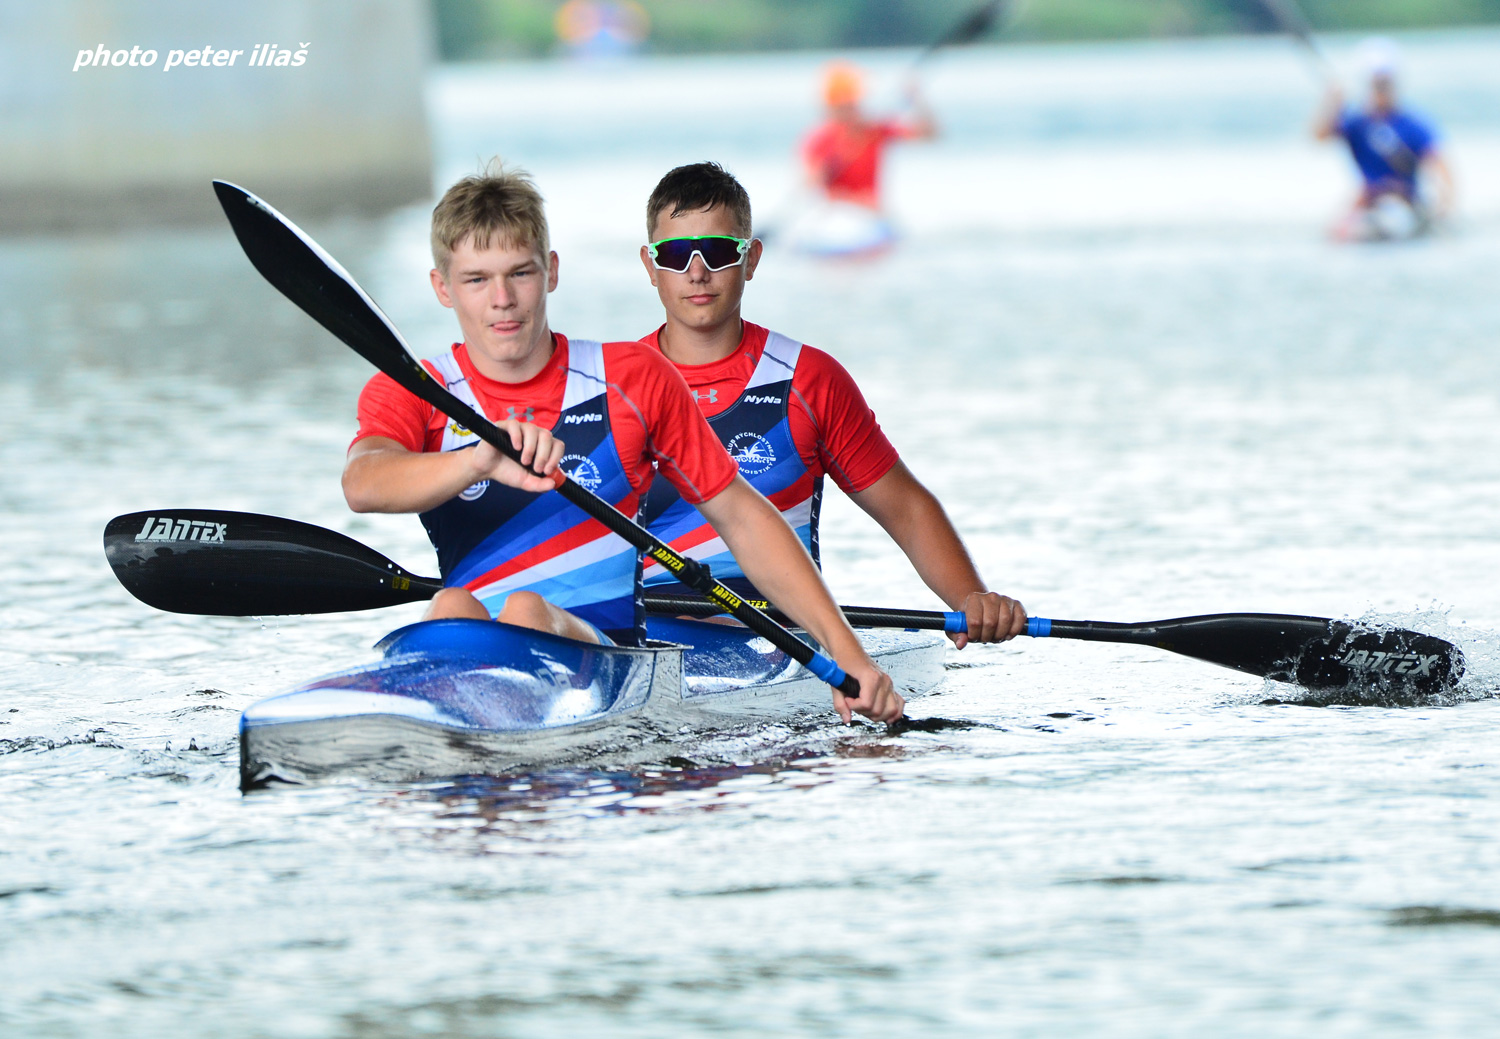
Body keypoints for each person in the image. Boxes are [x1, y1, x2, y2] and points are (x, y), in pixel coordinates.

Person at [344, 160, 901, 723]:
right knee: (450, 605)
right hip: (466, 652)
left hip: (607, 662)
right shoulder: (416, 392)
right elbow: (363, 483)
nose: (502, 298)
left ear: (551, 272)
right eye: (476, 280)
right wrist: (476, 462)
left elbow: (741, 517)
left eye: (520, 273)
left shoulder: (630, 379)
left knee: (527, 609)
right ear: (442, 288)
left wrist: (847, 654)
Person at [636, 161, 1025, 649]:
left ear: (751, 259)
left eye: (718, 252)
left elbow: (906, 509)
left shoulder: (809, 380)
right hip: (647, 635)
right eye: (676, 255)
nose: (697, 272)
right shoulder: (614, 388)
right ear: (651, 266)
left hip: (780, 640)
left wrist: (971, 597)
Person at [1312, 38, 1454, 234]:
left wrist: (1443, 208)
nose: (1381, 90)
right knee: (1339, 232)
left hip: (1405, 198)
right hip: (1368, 199)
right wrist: (1332, 103)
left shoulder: (1413, 125)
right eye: (1377, 84)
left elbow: (1441, 168)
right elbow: (1319, 137)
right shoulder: (1356, 122)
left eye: (1385, 84)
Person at [800, 61, 936, 213]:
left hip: (871, 213)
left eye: (853, 104)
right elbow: (810, 185)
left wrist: (915, 98)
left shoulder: (874, 130)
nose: (852, 110)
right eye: (844, 105)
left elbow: (930, 134)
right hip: (836, 214)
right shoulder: (820, 138)